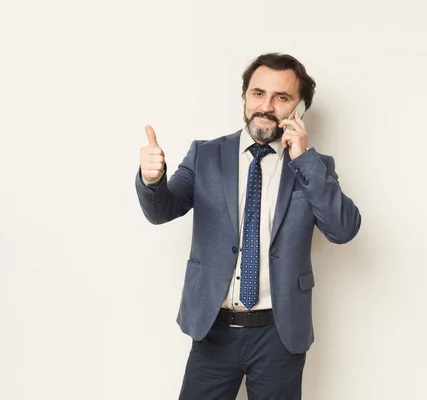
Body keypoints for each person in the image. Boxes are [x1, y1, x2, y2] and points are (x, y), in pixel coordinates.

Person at [135, 52, 361, 400]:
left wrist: (303, 160)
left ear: (299, 108)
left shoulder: (315, 167)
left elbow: (343, 229)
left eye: (281, 97)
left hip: (279, 333)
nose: (266, 106)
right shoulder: (206, 155)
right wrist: (152, 180)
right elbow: (162, 210)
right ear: (245, 96)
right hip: (213, 328)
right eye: (258, 93)